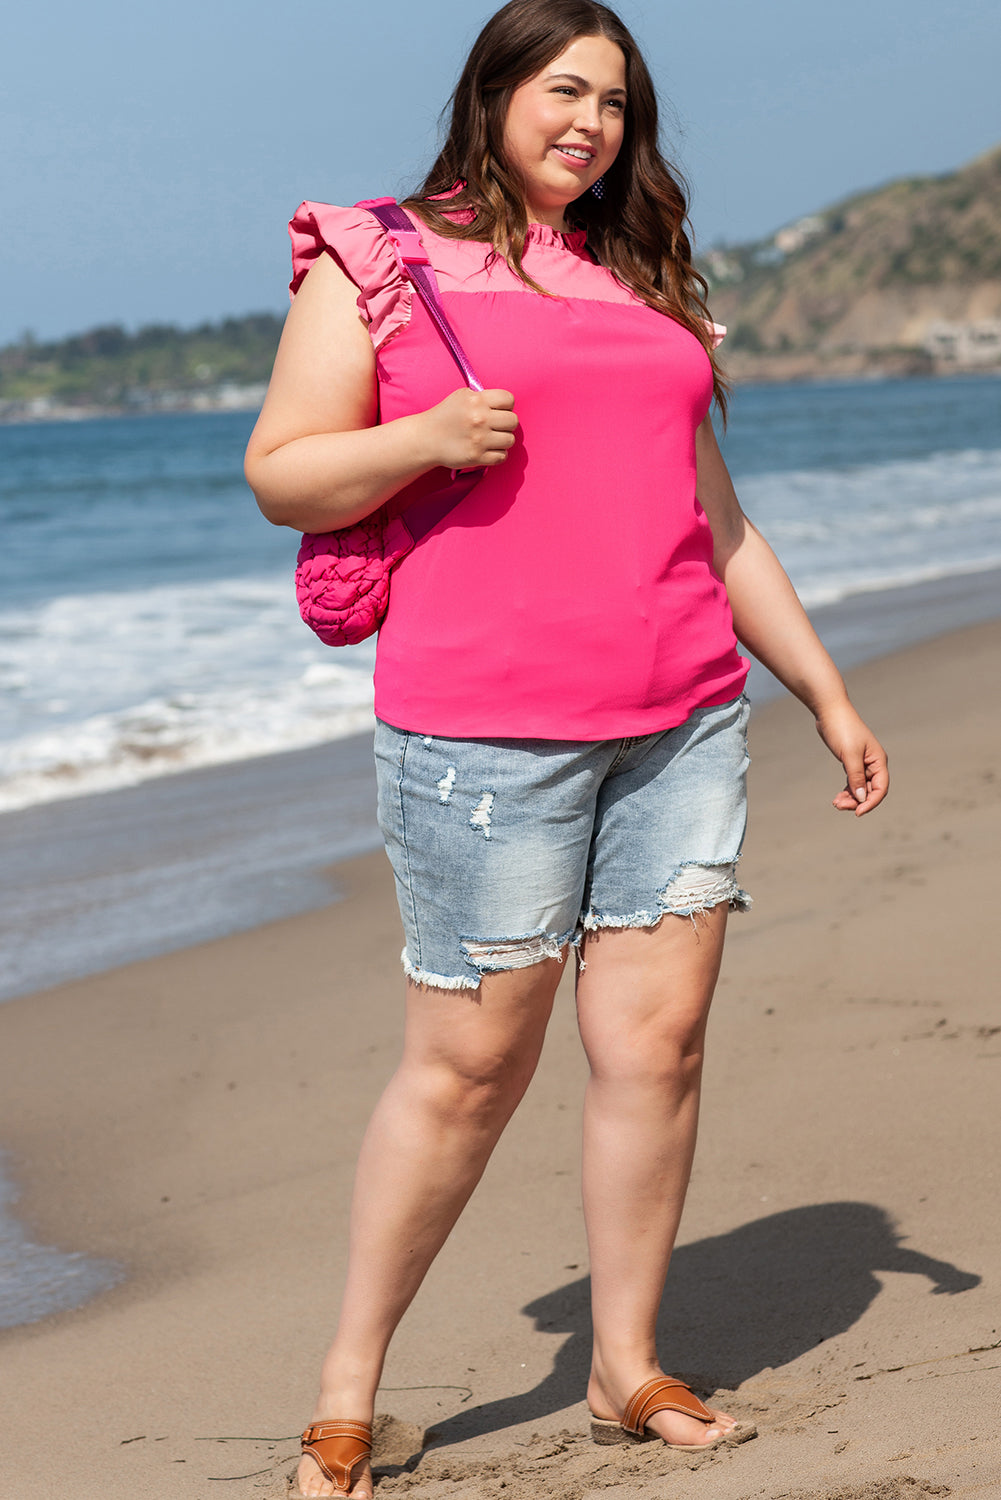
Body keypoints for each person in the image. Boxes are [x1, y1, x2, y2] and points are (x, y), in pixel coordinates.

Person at [244, 2, 889, 1493]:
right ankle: (349, 1389)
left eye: (612, 100)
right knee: (470, 1065)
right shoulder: (380, 258)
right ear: (493, 94)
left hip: (678, 719)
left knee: (653, 1050)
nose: (587, 122)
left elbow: (713, 521)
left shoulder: (644, 281)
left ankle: (622, 1363)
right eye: (561, 89)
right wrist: (418, 443)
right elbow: (283, 472)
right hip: (482, 733)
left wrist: (824, 692)